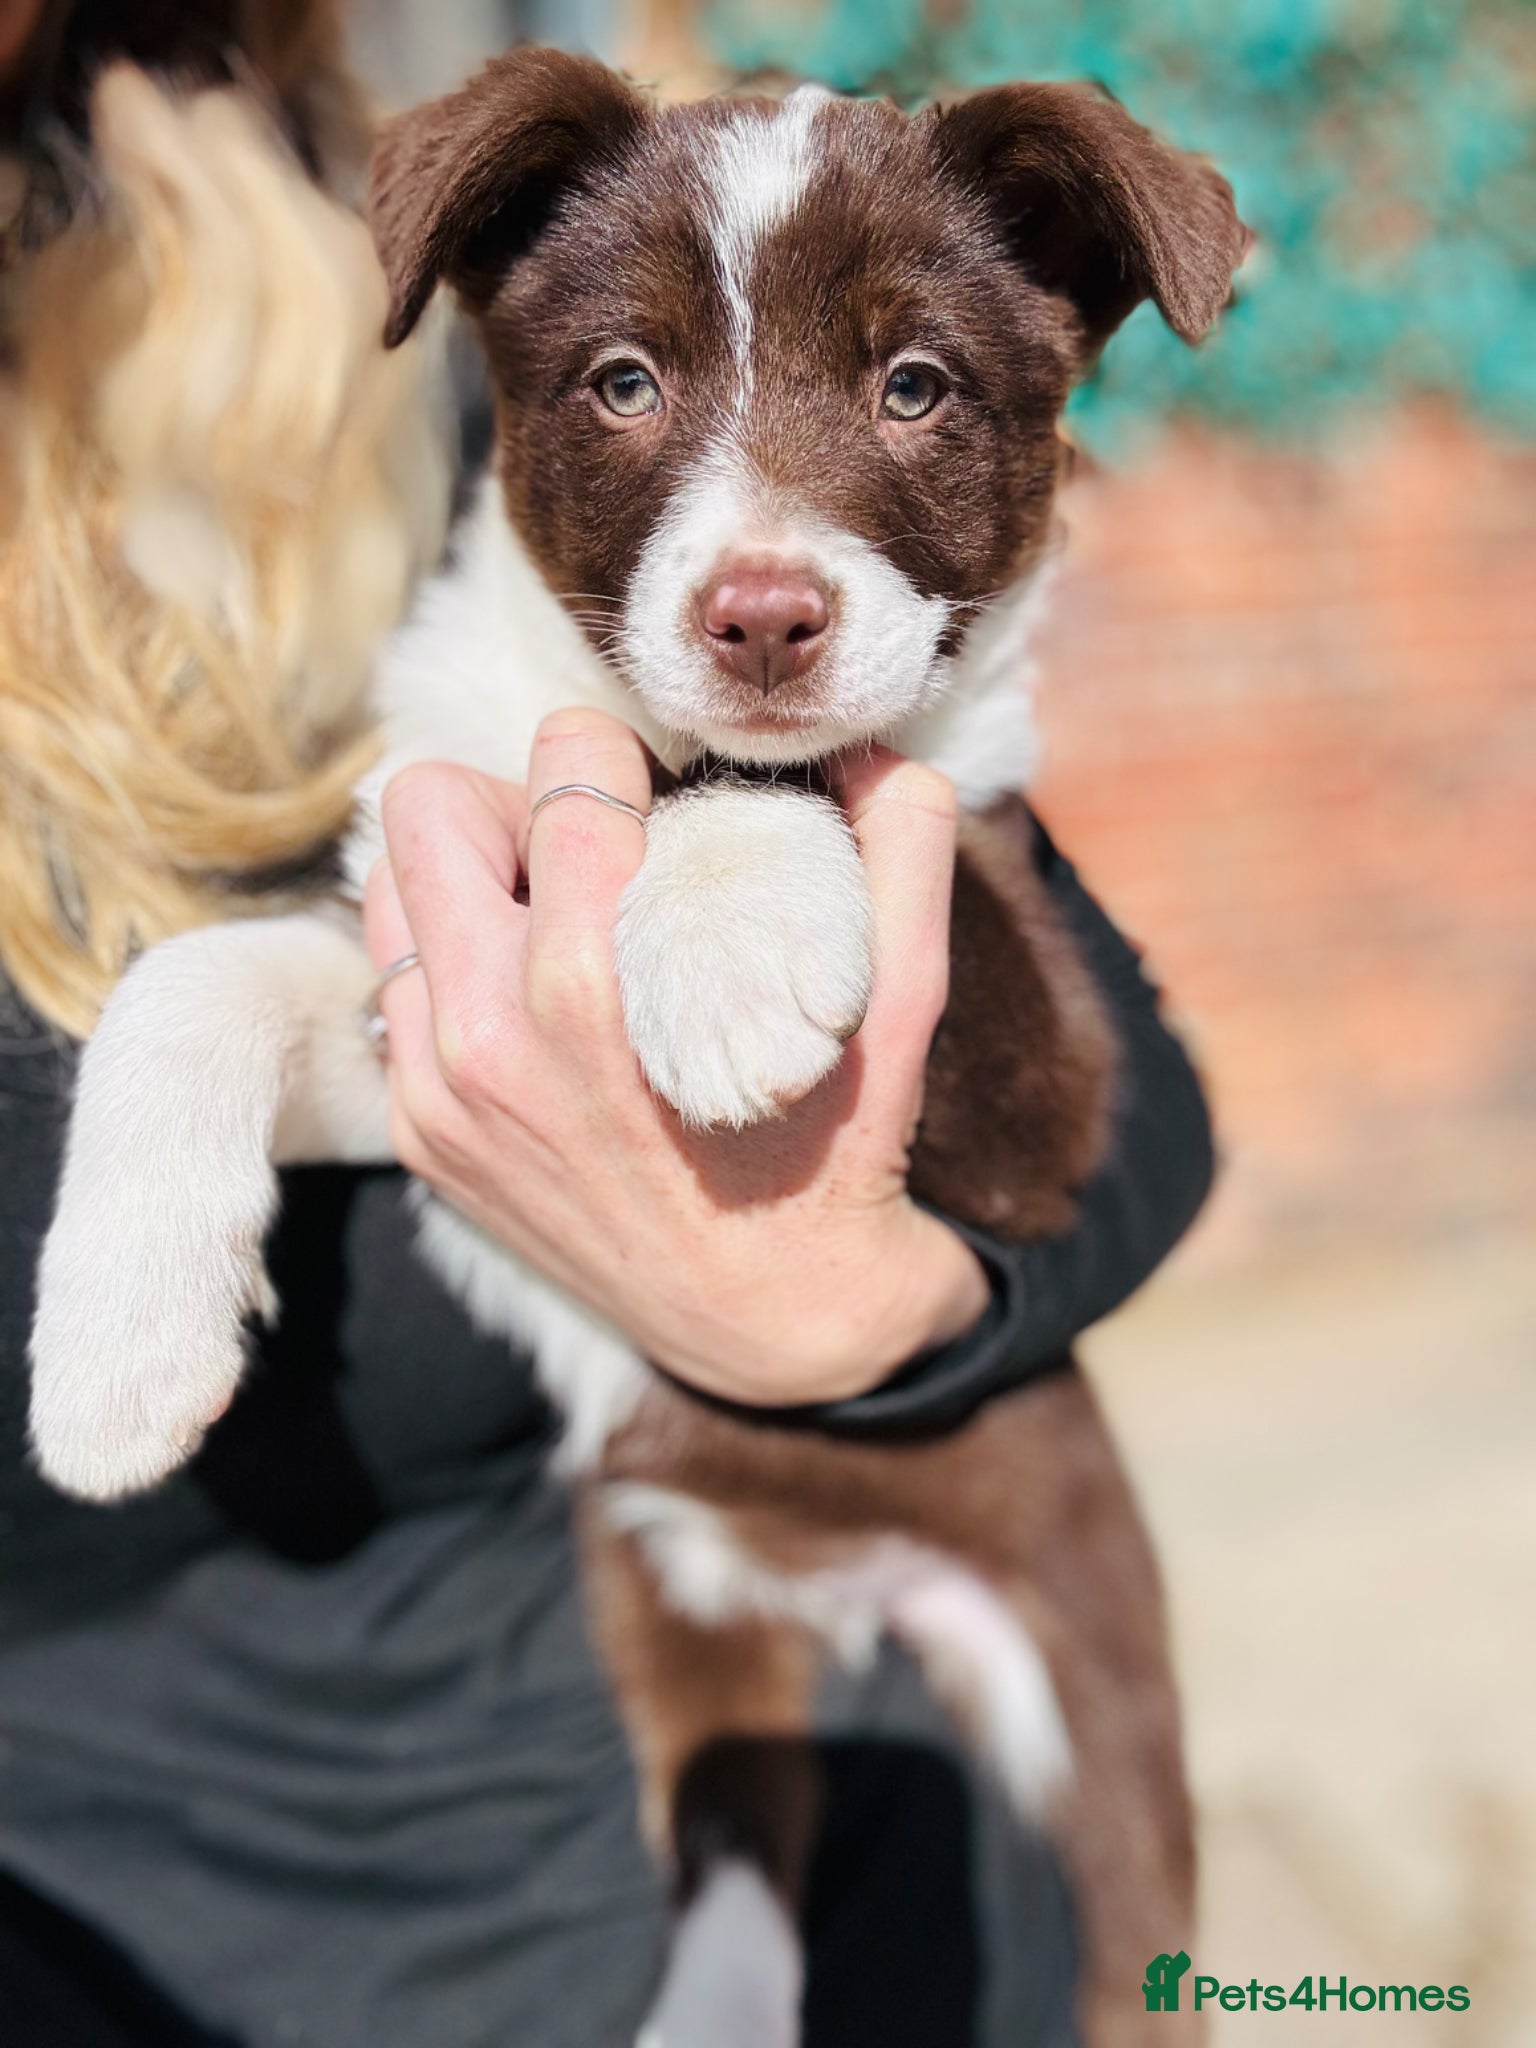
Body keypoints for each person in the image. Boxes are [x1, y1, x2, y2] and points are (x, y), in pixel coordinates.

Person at [0, 16, 1215, 2048]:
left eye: (911, 383)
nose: (759, 566)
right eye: (636, 382)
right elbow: (414, 1019)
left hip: (875, 1742)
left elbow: (1137, 1114)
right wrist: (181, 1081)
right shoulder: (516, 555)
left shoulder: (391, 391)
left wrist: (875, 1306)